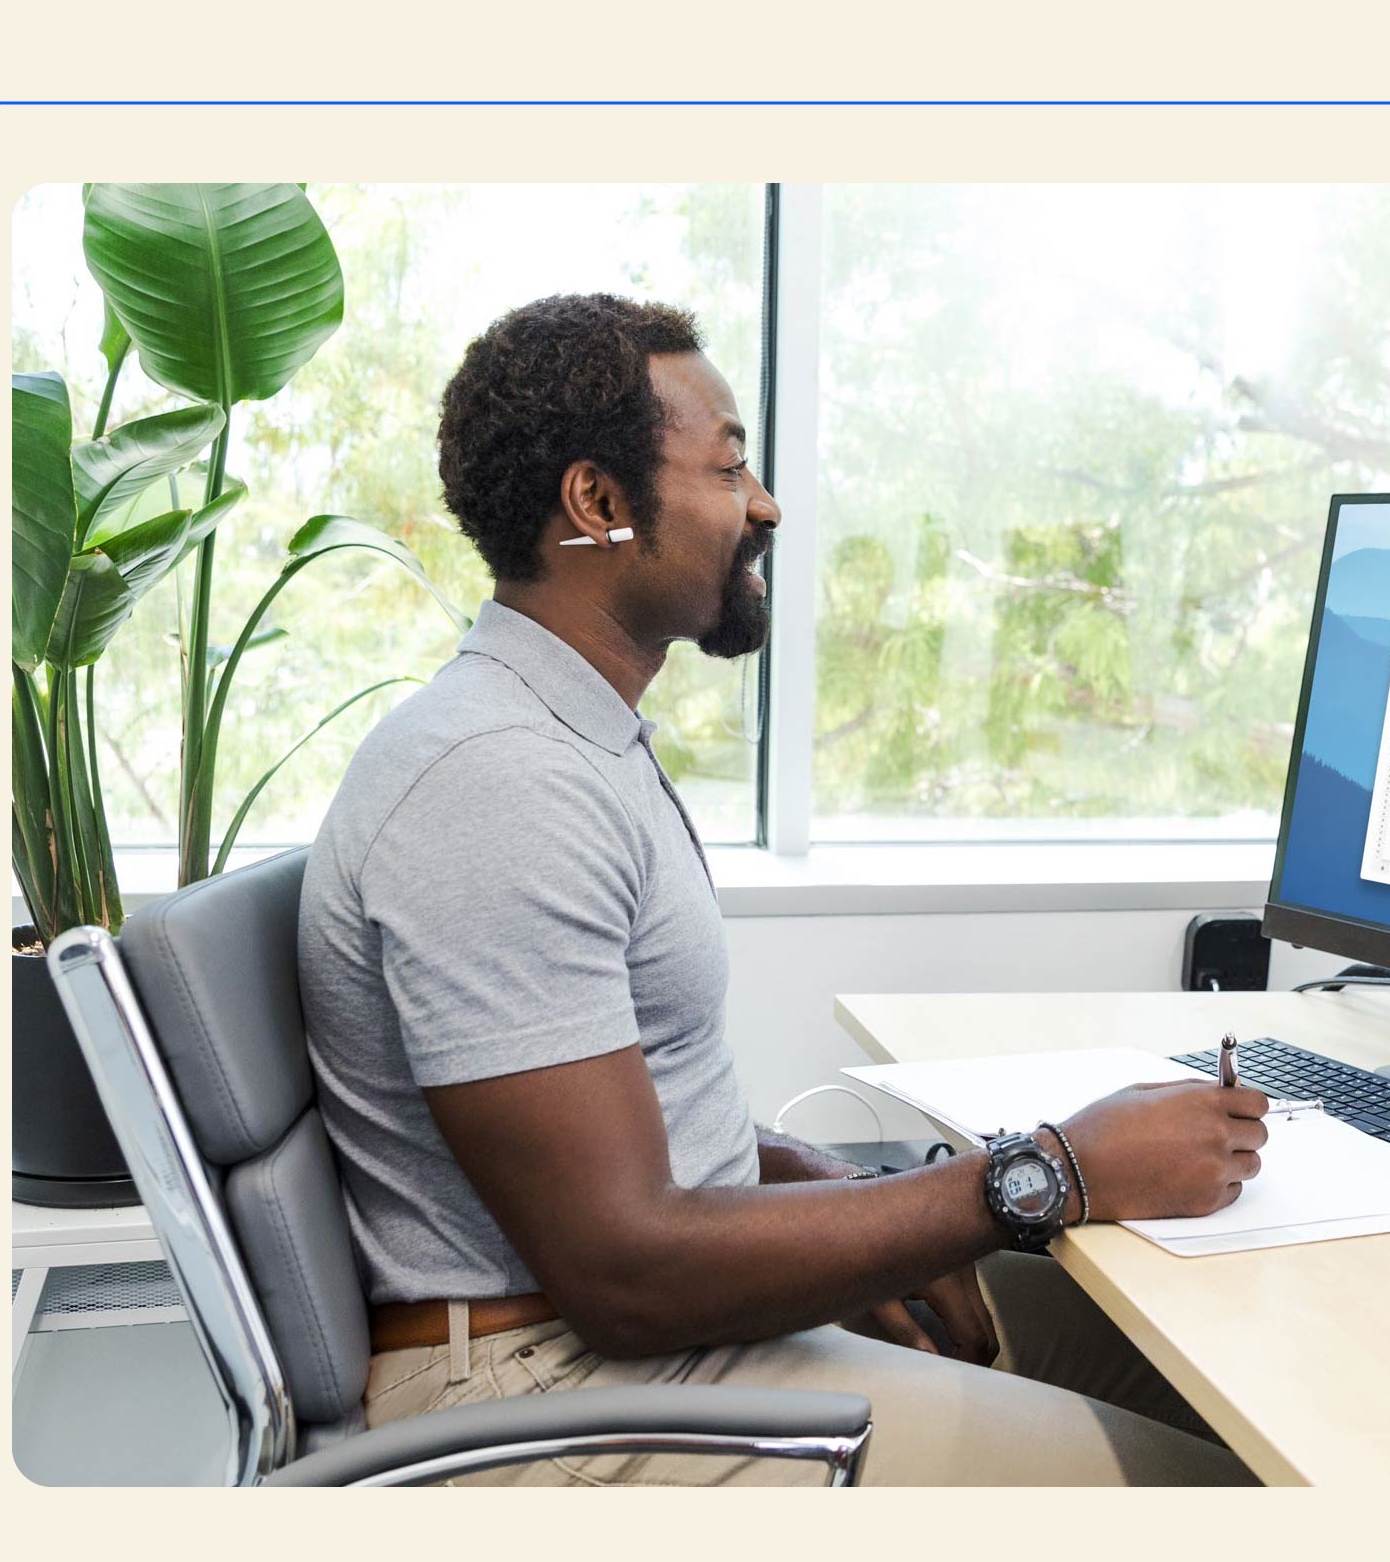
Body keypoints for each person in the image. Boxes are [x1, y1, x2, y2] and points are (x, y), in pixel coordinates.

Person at [297, 292, 1268, 1486]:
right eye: (730, 466)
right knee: (1229, 1502)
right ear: (597, 504)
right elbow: (625, 1269)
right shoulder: (498, 783)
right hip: (540, 1394)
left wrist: (852, 1201)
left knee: (1204, 1378)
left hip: (619, 1342)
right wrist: (1048, 1175)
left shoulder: (561, 735)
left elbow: (637, 1133)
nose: (763, 506)